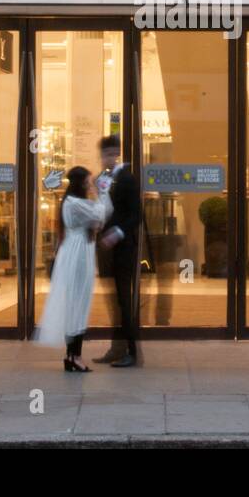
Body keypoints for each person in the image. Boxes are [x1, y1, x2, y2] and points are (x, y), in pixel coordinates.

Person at [35, 165, 112, 371]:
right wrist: (102, 192)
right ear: (81, 183)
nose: (90, 185)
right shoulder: (76, 203)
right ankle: (75, 357)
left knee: (74, 304)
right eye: (87, 182)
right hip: (78, 256)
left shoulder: (70, 202)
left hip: (74, 253)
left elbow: (97, 219)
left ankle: (72, 356)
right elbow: (102, 213)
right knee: (78, 304)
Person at [94, 134, 141, 367]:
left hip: (122, 249)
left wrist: (117, 232)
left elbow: (136, 215)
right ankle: (117, 347)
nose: (109, 158)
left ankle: (130, 351)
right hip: (106, 249)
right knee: (114, 301)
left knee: (123, 300)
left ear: (117, 154)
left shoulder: (127, 178)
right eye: (105, 154)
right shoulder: (103, 179)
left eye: (113, 153)